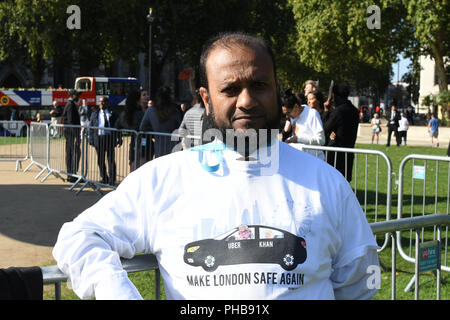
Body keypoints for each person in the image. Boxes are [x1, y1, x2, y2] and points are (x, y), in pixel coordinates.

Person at [53, 32, 379, 300]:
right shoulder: (163, 179)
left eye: (259, 85)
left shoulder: (329, 184)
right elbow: (80, 237)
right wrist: (119, 293)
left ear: (277, 89)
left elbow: (359, 285)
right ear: (207, 99)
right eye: (231, 89)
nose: (247, 101)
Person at [323, 83, 360, 182]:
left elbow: (325, 128)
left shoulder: (338, 112)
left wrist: (326, 111)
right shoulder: (355, 111)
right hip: (348, 152)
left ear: (335, 96)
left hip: (335, 154)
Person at [139, 86, 182, 160]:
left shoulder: (150, 110)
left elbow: (142, 127)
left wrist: (155, 131)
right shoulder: (175, 111)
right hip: (174, 146)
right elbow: (180, 127)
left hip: (160, 146)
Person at [282, 90, 325, 160]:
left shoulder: (312, 114)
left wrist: (298, 138)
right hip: (299, 159)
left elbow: (321, 140)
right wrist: (288, 140)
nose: (287, 117)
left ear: (296, 106)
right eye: (285, 114)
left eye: (288, 113)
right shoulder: (293, 117)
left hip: (314, 160)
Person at [89, 96, 120, 185]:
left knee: (111, 159)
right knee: (100, 160)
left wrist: (119, 138)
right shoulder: (95, 113)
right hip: (99, 138)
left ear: (107, 103)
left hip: (109, 138)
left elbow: (117, 126)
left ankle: (112, 179)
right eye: (100, 102)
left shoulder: (113, 113)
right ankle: (104, 177)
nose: (101, 103)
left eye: (103, 102)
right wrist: (91, 139)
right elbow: (91, 128)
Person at [115, 90, 146, 171]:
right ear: (137, 101)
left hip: (134, 144)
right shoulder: (139, 114)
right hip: (143, 143)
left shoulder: (124, 114)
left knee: (133, 164)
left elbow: (117, 126)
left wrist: (119, 137)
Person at [61, 89, 81, 183]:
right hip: (71, 133)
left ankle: (71, 174)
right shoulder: (70, 105)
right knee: (74, 153)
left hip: (70, 133)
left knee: (71, 153)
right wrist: (76, 136)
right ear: (73, 96)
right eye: (77, 95)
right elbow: (71, 121)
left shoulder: (71, 104)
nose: (79, 97)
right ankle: (72, 174)